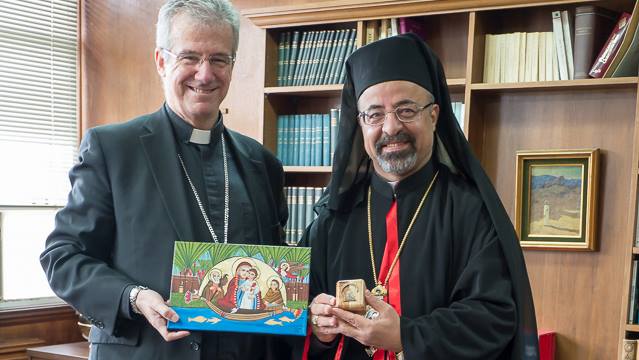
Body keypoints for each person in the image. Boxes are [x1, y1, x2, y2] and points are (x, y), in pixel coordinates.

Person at [39, 1, 288, 359]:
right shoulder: (113, 149)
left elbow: (275, 273)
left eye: (219, 59)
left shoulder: (261, 163)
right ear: (161, 60)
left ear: (233, 66)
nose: (205, 74)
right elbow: (62, 257)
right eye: (189, 57)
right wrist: (134, 297)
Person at [301, 33, 538, 359]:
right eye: (375, 114)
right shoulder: (332, 220)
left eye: (406, 109)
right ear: (360, 124)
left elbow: (494, 317)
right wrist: (317, 328)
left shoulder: (470, 210)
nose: (390, 128)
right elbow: (292, 317)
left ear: (434, 115)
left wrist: (406, 336)